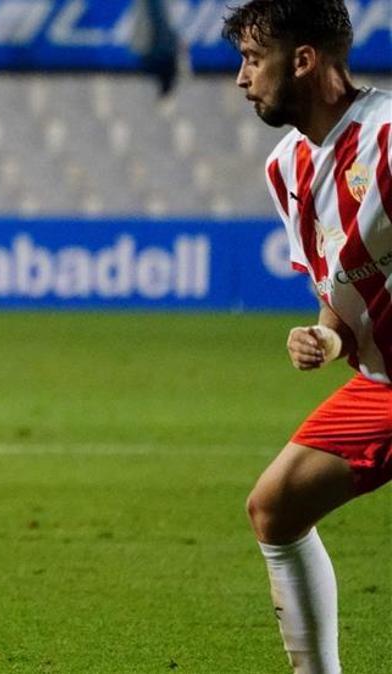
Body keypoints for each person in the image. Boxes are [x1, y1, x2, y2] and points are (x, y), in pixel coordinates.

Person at [224, 2, 390, 672]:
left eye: (251, 60)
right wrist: (327, 338)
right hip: (384, 384)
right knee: (277, 507)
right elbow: (338, 294)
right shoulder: (287, 167)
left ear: (304, 60)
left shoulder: (387, 140)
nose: (240, 79)